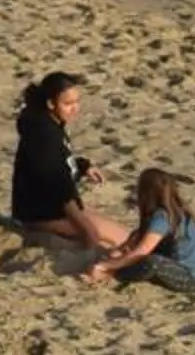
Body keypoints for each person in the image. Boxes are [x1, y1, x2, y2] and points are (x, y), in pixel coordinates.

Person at [8, 69, 124, 253]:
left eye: (77, 101)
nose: (75, 108)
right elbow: (61, 189)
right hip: (42, 215)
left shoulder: (49, 123)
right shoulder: (45, 135)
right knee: (116, 239)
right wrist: (87, 232)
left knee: (121, 236)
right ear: (50, 103)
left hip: (50, 207)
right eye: (68, 103)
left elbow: (57, 161)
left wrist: (82, 166)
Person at [81, 167, 195, 293]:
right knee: (135, 251)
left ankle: (113, 276)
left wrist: (108, 266)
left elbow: (142, 251)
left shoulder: (163, 218)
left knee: (151, 263)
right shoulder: (174, 209)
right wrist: (118, 252)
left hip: (192, 277)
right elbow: (138, 237)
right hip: (185, 267)